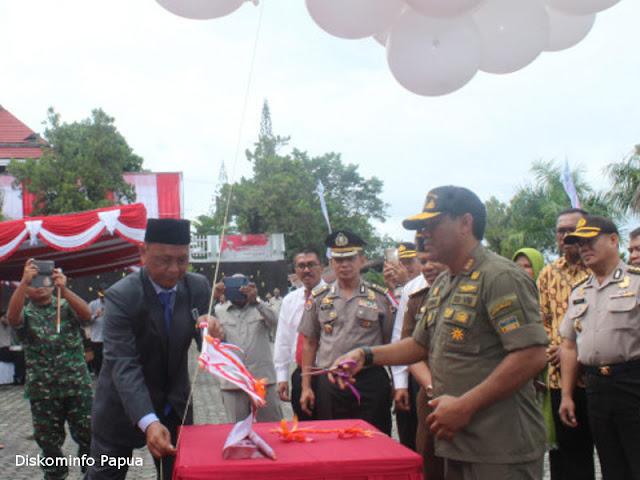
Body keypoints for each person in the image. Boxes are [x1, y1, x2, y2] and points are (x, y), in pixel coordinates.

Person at [330, 186, 549, 479]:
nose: (423, 233)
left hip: (499, 445)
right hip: (456, 440)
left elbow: (532, 355)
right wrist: (365, 355)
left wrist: (465, 405)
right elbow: (420, 344)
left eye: (432, 223)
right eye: (421, 226)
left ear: (465, 223)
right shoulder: (445, 281)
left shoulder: (500, 277)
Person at [87, 218, 223, 480]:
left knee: (178, 476)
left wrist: (215, 334)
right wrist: (148, 421)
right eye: (163, 260)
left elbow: (211, 350)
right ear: (142, 253)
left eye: (182, 260)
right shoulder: (121, 296)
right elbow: (123, 363)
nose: (174, 269)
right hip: (120, 409)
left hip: (174, 407)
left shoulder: (197, 286)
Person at [558, 215, 640, 479]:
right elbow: (569, 347)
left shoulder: (637, 283)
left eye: (590, 241)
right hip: (596, 387)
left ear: (614, 240)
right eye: (579, 243)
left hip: (633, 381)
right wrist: (567, 395)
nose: (584, 248)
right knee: (611, 465)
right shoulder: (580, 292)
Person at [298, 229, 396, 435]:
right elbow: (309, 344)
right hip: (331, 382)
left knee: (374, 441)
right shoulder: (318, 298)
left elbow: (391, 344)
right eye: (338, 259)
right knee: (333, 442)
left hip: (370, 381)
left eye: (350, 259)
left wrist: (398, 383)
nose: (344, 265)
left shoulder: (380, 298)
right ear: (331, 263)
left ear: (362, 260)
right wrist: (306, 387)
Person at [7, 258, 93, 480]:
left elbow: (86, 315)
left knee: (90, 437)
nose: (40, 285)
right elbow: (13, 319)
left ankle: (92, 474)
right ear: (26, 290)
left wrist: (64, 289)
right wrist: (22, 282)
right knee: (48, 444)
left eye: (44, 280)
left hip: (76, 386)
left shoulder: (66, 306)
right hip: (44, 392)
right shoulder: (27, 313)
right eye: (33, 283)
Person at [537, 208, 595, 480]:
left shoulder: (599, 268)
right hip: (561, 378)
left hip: (598, 375)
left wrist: (574, 350)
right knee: (567, 454)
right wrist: (556, 349)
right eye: (561, 230)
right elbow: (542, 320)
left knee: (611, 450)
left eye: (573, 229)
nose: (566, 235)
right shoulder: (548, 274)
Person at [214, 273, 283, 423]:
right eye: (234, 285)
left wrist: (257, 301)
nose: (239, 289)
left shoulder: (260, 307)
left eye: (243, 285)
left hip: (262, 379)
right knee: (238, 431)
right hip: (233, 381)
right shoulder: (218, 311)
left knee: (272, 427)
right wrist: (213, 296)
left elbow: (275, 320)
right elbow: (203, 329)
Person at [402, 255, 447, 479]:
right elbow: (410, 350)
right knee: (430, 458)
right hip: (429, 396)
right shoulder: (417, 301)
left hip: (470, 396)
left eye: (433, 260)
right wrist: (431, 387)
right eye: (424, 262)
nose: (428, 267)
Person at [273, 248, 325, 420]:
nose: (306, 270)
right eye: (301, 266)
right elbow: (283, 339)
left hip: (327, 373)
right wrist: (282, 376)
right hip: (301, 373)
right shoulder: (290, 300)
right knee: (304, 428)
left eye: (311, 265)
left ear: (322, 267)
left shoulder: (334, 296)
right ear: (295, 270)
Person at [390, 239, 425, 450]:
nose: (407, 267)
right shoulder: (411, 289)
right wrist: (400, 383)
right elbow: (401, 340)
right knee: (414, 437)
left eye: (410, 261)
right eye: (401, 262)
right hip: (416, 375)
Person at [0, 311, 25, 385]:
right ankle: (18, 377)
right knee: (18, 355)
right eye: (4, 317)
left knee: (22, 354)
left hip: (9, 349)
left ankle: (21, 376)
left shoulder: (10, 327)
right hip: (1, 349)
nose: (5, 320)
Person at [87, 284, 107, 376]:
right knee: (98, 359)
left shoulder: (113, 302)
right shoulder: (93, 304)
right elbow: (86, 319)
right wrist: (96, 316)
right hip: (97, 338)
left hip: (110, 337)